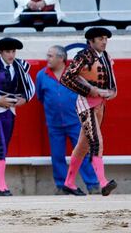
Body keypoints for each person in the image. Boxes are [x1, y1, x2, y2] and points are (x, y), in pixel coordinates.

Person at [60, 27, 118, 196]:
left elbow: (111, 82)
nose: (104, 41)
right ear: (91, 41)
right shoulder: (83, 56)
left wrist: (111, 92)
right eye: (100, 38)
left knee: (83, 145)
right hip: (86, 104)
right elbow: (66, 78)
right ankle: (103, 183)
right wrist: (88, 90)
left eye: (105, 38)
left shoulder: (106, 56)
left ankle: (69, 183)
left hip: (101, 104)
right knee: (96, 141)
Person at [36, 45, 100, 195]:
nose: (48, 59)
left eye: (51, 56)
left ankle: (93, 185)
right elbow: (40, 96)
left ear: (61, 58)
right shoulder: (41, 75)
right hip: (54, 123)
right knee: (57, 155)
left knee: (82, 154)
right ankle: (62, 186)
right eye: (48, 55)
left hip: (75, 121)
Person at [0, 37, 35, 196]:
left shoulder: (19, 66)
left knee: (2, 148)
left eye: (13, 51)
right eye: (7, 51)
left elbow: (27, 87)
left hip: (9, 111)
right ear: (0, 52)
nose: (11, 55)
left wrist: (24, 99)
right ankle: (3, 186)